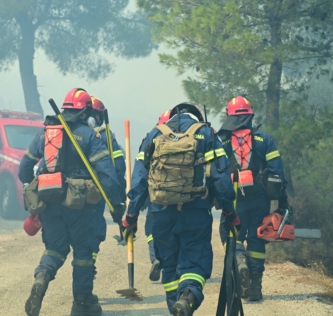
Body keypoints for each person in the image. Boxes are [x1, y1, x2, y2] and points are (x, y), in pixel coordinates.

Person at [123, 103, 238, 316]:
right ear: (197, 116)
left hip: (160, 214)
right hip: (195, 212)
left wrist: (131, 215)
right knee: (195, 265)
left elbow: (139, 180)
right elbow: (222, 179)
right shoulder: (207, 134)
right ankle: (188, 297)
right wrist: (230, 213)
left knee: (169, 268)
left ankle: (176, 308)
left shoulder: (154, 134)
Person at [19, 88, 124, 316]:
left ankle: (42, 278)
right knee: (83, 255)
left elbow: (24, 169)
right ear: (85, 111)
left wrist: (35, 184)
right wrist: (117, 206)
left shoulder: (46, 133)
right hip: (79, 206)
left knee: (55, 249)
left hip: (48, 199)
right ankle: (82, 303)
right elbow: (108, 175)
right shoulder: (89, 136)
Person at [217, 96, 289, 302]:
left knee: (230, 233)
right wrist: (282, 201)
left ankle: (239, 259)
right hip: (260, 199)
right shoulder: (264, 139)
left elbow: (215, 173)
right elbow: (277, 172)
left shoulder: (221, 141)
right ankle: (256, 288)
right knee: (258, 237)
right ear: (250, 114)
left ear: (229, 115)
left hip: (234, 199)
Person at [87, 96, 126, 273]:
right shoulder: (104, 136)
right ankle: (88, 268)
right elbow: (118, 166)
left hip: (70, 192)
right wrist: (118, 194)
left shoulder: (70, 133)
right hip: (96, 192)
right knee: (94, 230)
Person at [141, 110, 172, 282]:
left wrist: (136, 205)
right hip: (181, 197)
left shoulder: (151, 139)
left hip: (155, 197)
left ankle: (156, 258)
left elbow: (141, 173)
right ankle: (174, 263)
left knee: (152, 230)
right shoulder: (188, 139)